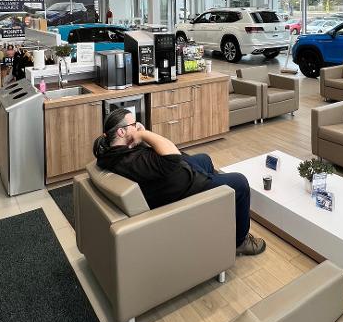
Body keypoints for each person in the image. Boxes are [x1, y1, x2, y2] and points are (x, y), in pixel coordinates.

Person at [93, 107, 265, 255]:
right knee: (240, 182)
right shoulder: (131, 161)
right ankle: (240, 242)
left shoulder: (115, 153)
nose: (137, 127)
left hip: (174, 179)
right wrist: (144, 134)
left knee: (204, 159)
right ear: (121, 132)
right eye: (134, 125)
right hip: (183, 191)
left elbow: (160, 157)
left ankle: (214, 206)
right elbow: (173, 157)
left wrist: (140, 135)